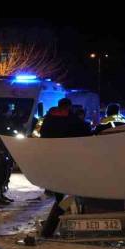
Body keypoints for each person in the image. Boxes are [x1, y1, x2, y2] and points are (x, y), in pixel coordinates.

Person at [38, 97, 91, 237]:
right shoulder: (73, 119)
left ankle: (54, 219)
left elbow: (41, 134)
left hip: (52, 156)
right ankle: (59, 220)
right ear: (69, 106)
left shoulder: (48, 119)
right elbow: (86, 133)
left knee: (59, 189)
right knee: (69, 190)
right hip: (69, 157)